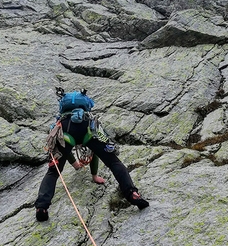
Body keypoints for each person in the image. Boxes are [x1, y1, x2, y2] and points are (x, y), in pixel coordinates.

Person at [35, 89, 149, 221]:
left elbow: (64, 151)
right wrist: (94, 175)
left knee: (53, 172)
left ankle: (41, 207)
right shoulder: (89, 118)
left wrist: (74, 164)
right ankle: (132, 193)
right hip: (87, 127)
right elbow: (93, 150)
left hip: (65, 129)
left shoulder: (61, 120)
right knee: (114, 163)